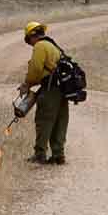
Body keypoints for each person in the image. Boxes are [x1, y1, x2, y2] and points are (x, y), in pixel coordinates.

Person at [18, 21, 69, 165]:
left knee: (44, 121)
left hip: (49, 90)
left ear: (31, 36)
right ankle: (58, 154)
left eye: (29, 41)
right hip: (62, 90)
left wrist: (27, 85)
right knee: (60, 121)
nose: (30, 44)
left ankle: (40, 154)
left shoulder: (40, 46)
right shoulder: (53, 46)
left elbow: (35, 70)